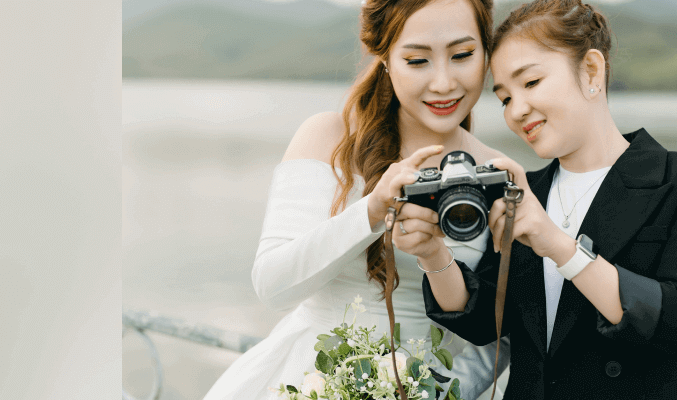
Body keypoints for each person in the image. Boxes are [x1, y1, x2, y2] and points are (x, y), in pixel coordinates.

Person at [417, 0, 677, 399]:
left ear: (591, 71)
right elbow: (486, 322)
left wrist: (560, 247)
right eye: (505, 98)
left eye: (530, 83)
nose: (517, 111)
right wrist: (432, 255)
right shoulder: (526, 190)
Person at [203, 0, 511, 399]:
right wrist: (371, 210)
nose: (443, 82)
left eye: (463, 55)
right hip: (310, 382)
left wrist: (428, 393)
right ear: (384, 58)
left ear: (486, 52)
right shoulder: (329, 138)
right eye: (417, 60)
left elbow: (499, 335)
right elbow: (273, 286)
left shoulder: (499, 173)